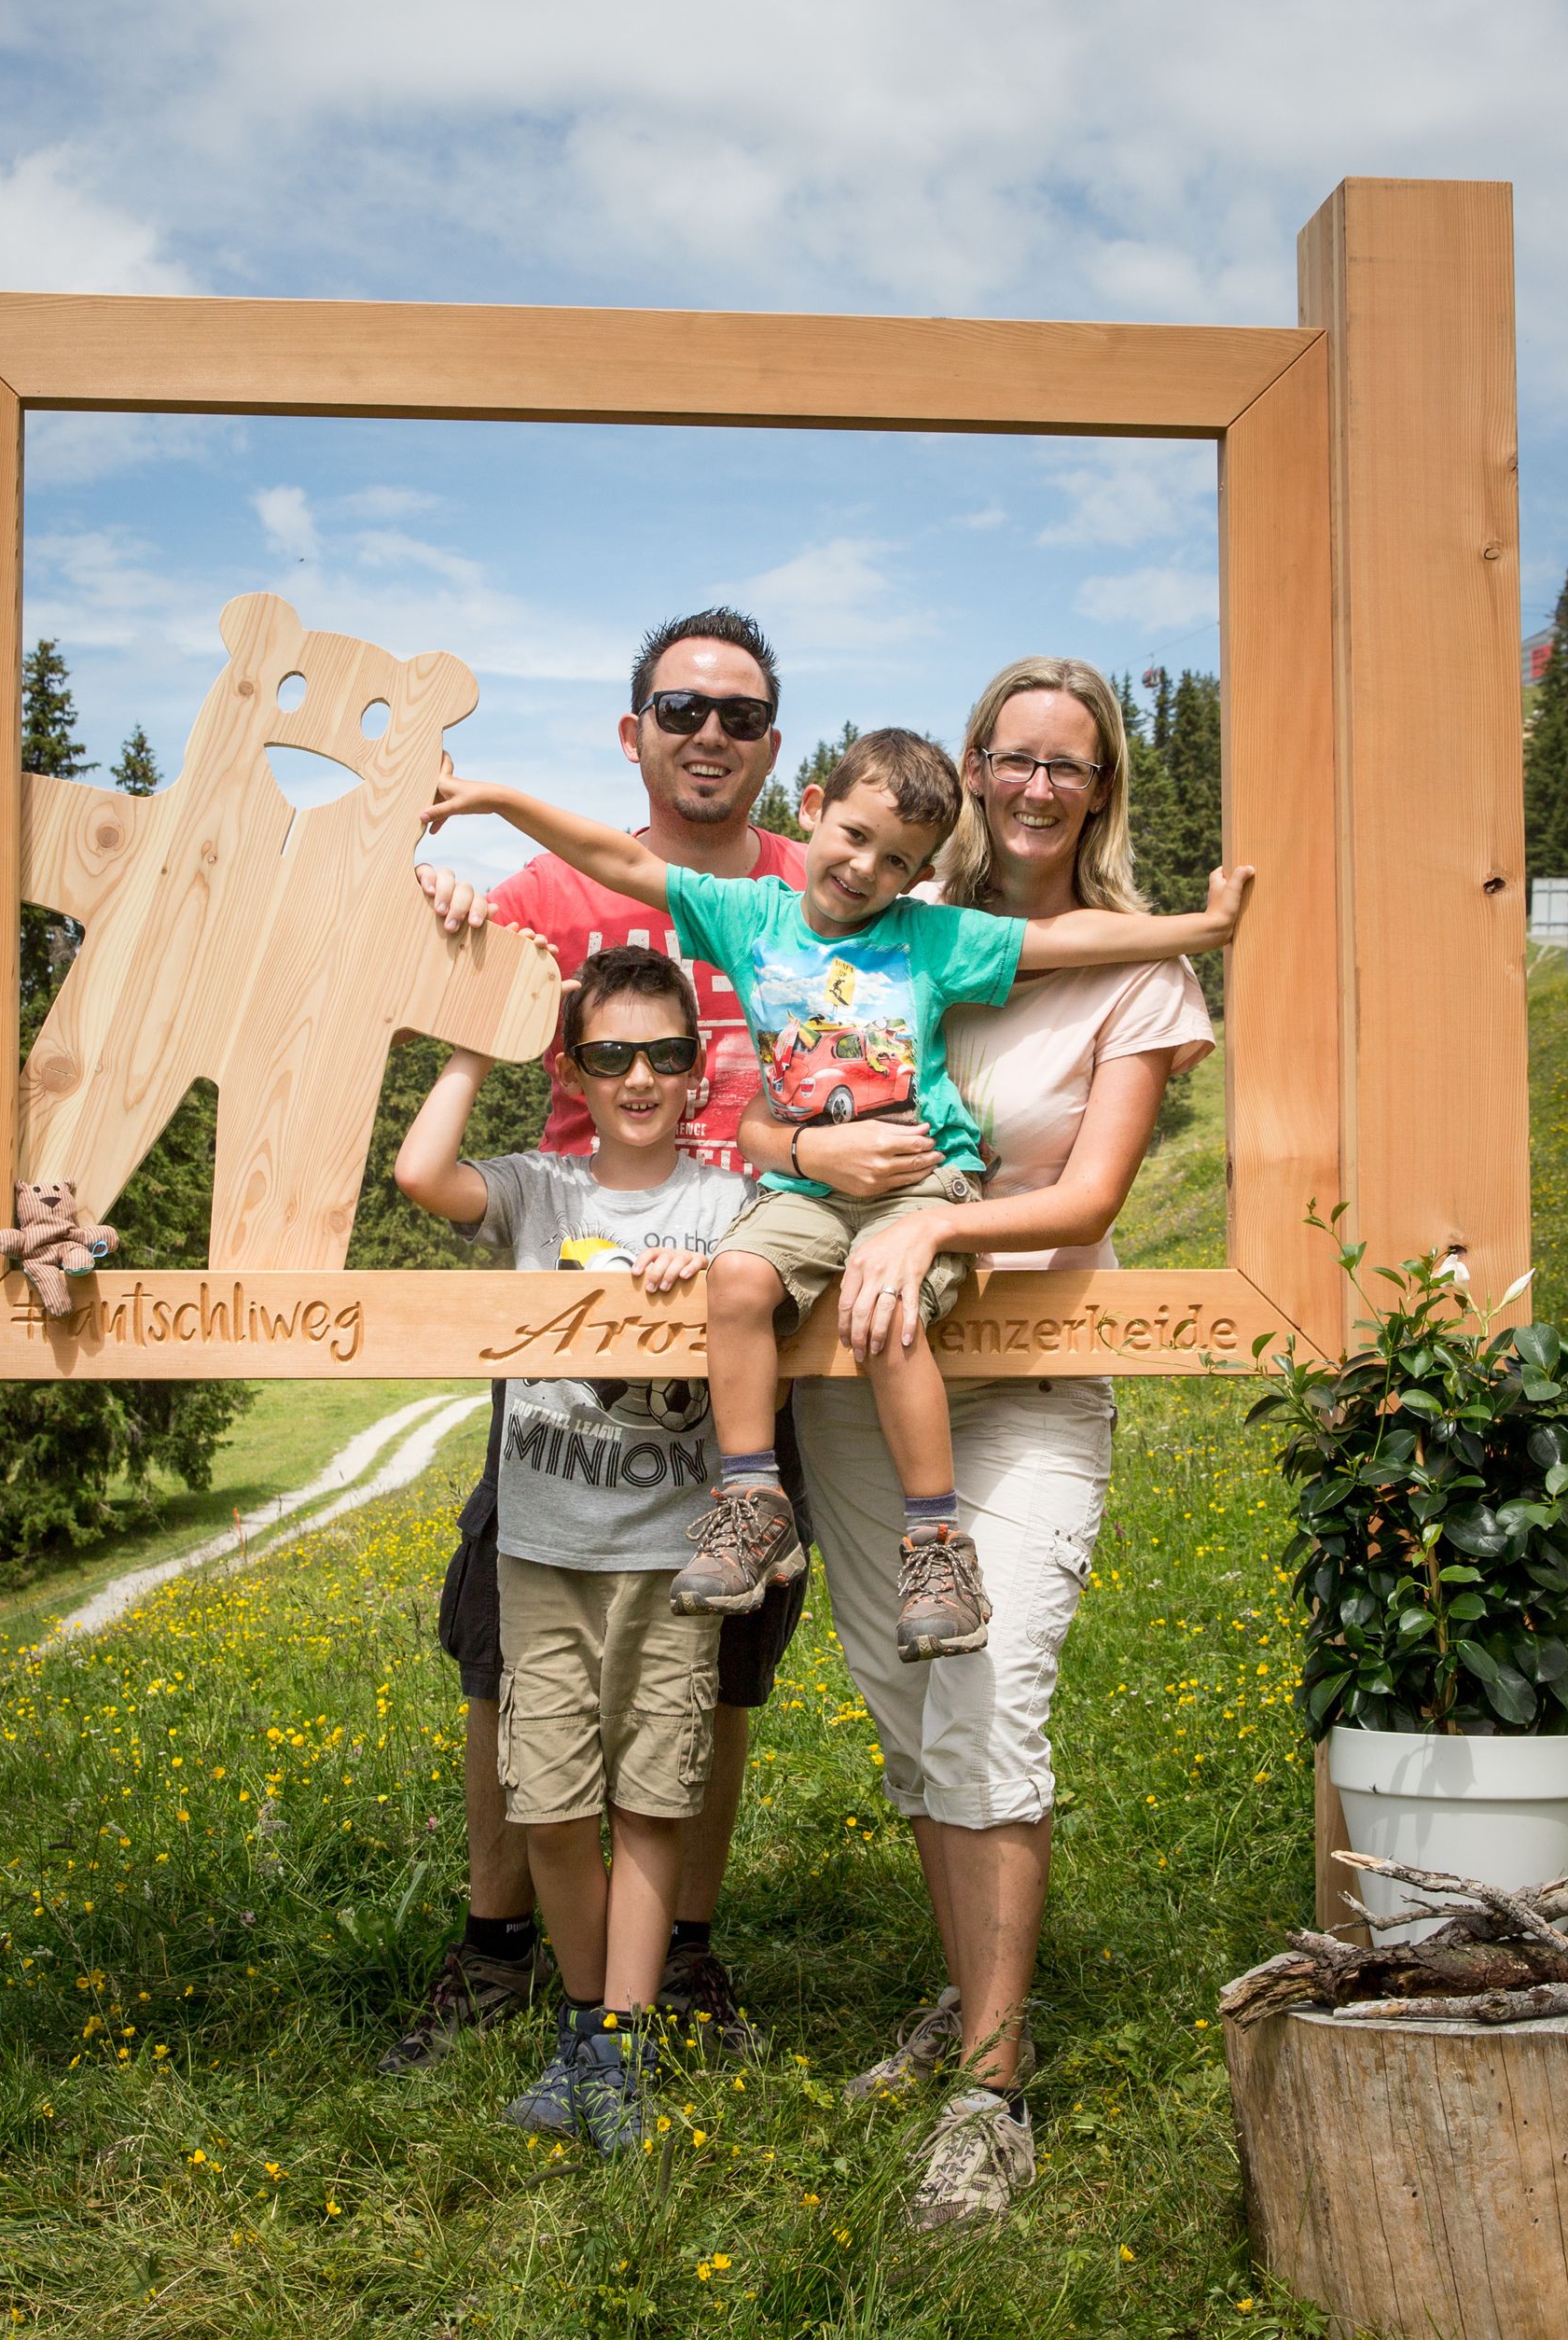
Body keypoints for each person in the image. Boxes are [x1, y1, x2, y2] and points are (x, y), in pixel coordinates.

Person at [423, 729, 1249, 1689]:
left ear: (922, 873)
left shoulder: (931, 936)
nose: (864, 868)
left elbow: (1067, 941)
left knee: (885, 1309)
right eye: (853, 835)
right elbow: (619, 858)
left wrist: (1203, 929)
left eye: (897, 860)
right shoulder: (747, 915)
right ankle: (750, 1500)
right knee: (734, 1282)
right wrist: (494, 796)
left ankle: (936, 1543)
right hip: (805, 1189)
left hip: (918, 1184)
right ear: (812, 810)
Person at [733, 659, 1212, 2229]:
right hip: (863, 1387)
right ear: (975, 765)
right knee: (912, 1708)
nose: (1033, 786)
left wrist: (936, 1226)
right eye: (1009, 757)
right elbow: (764, 1105)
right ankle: (964, 1994)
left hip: (1027, 1386)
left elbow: (1087, 1202)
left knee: (994, 1686)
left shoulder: (1133, 977)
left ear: (1101, 785)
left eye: (1066, 766)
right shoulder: (886, 931)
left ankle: (992, 2095)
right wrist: (811, 1157)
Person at [382, 609, 812, 2074]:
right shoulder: (553, 886)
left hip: (749, 1323)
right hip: (568, 1331)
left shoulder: (820, 897)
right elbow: (437, 981)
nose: (709, 731)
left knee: (717, 1662)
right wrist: (433, 891)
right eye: (680, 707)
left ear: (772, 744)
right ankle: (499, 1944)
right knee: (509, 1649)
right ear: (632, 732)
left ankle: (676, 1956)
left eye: (740, 714)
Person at [394, 946, 747, 2152]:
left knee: (652, 1803)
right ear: (574, 1071)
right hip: (541, 1556)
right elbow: (419, 1172)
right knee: (548, 1808)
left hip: (671, 1561)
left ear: (697, 1072)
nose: (638, 1076)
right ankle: (589, 2021)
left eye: (664, 1054)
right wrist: (472, 1043)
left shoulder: (728, 1204)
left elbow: (780, 1288)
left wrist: (710, 1274)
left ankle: (614, 2045)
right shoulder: (541, 1195)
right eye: (609, 1056)